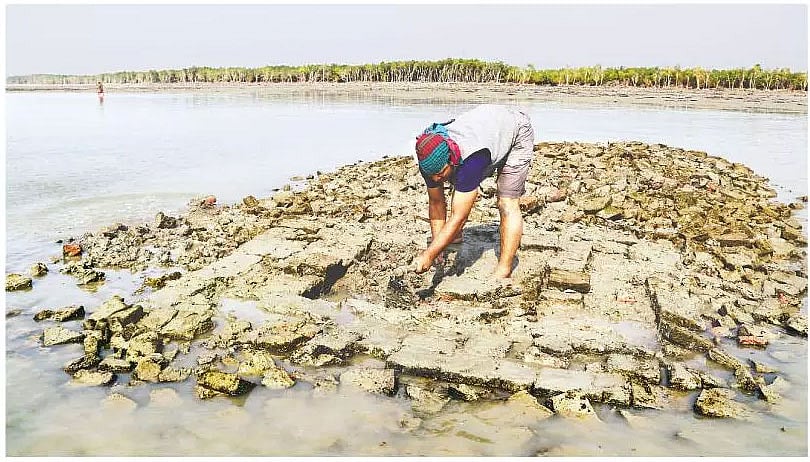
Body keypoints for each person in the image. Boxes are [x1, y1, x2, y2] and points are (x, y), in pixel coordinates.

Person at [412, 104, 535, 279]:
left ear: (451, 160)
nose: (436, 180)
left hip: (515, 131)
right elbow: (436, 202)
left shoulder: (472, 159)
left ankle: (504, 269)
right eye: (433, 176)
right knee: (455, 188)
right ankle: (450, 238)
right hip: (486, 129)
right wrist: (437, 248)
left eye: (440, 174)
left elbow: (459, 216)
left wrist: (429, 255)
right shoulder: (428, 158)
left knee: (507, 203)